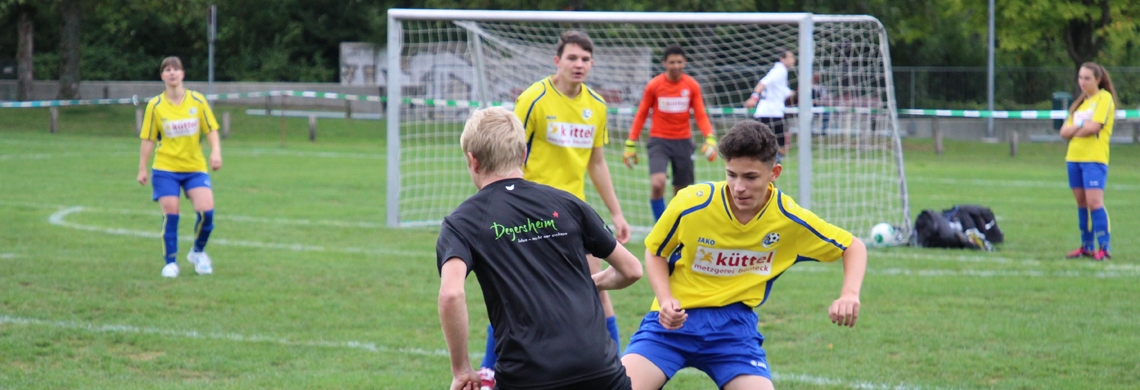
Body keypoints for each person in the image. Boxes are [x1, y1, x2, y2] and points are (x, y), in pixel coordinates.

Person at [620, 121, 867, 390]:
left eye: (750, 177)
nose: (738, 187)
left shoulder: (789, 220)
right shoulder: (692, 203)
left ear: (775, 172)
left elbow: (852, 247)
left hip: (734, 331)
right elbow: (655, 252)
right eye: (731, 174)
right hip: (671, 325)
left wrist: (850, 294)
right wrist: (666, 300)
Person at [437, 107, 642, 390]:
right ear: (523, 155)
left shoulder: (462, 222)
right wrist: (592, 283)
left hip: (530, 377)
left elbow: (451, 293)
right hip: (602, 371)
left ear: (473, 161)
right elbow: (632, 270)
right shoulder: (568, 203)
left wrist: (461, 369)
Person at [471, 30, 632, 389]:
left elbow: (598, 163)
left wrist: (616, 213)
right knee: (513, 294)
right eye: (572, 58)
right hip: (529, 213)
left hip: (574, 216)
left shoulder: (597, 106)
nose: (579, 65)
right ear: (557, 61)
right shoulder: (534, 98)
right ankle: (488, 371)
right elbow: (512, 154)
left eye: (586, 59)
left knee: (598, 290)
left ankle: (614, 368)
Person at [137, 56, 221, 278]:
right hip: (166, 168)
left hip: (194, 167)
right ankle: (170, 262)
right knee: (171, 213)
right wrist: (142, 168)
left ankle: (198, 252)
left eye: (176, 69)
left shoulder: (197, 101)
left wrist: (216, 152)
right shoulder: (155, 106)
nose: (172, 73)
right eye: (167, 70)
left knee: (207, 214)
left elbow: (211, 129)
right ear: (162, 76)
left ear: (183, 74)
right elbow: (148, 139)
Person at [624, 44, 717, 222]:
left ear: (685, 63)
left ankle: (676, 227)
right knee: (658, 183)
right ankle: (661, 225)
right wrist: (630, 142)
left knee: (682, 192)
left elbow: (700, 114)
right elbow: (642, 113)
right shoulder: (654, 85)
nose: (676, 66)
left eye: (679, 62)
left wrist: (710, 137)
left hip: (683, 142)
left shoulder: (691, 86)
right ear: (664, 63)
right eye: (672, 62)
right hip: (659, 141)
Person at [1060, 62, 1116, 261]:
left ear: (1097, 80)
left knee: (1094, 203)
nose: (1082, 82)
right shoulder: (1080, 103)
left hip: (1094, 158)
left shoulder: (1104, 98)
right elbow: (1063, 131)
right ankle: (1087, 246)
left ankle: (1104, 248)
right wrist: (1081, 126)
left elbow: (1094, 128)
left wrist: (1078, 128)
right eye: (1080, 77)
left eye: (1087, 78)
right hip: (1074, 158)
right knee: (1081, 203)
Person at [744, 50, 796, 162]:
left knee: (771, 146)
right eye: (790, 57)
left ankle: (769, 170)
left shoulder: (781, 72)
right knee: (778, 146)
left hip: (769, 112)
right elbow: (763, 83)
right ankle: (769, 171)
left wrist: (793, 93)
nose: (793, 60)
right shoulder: (779, 71)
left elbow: (781, 91)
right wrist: (754, 97)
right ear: (782, 59)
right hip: (771, 114)